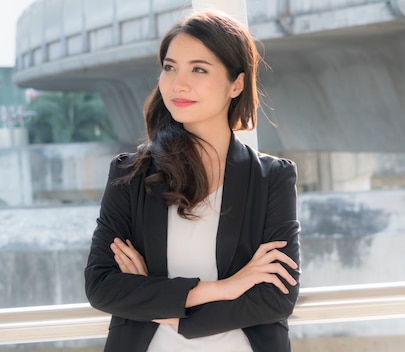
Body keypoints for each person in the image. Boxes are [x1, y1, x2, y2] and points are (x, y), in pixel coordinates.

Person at [84, 9, 300, 352]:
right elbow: (102, 286)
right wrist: (224, 288)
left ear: (237, 83)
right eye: (170, 67)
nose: (177, 83)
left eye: (198, 69)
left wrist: (156, 298)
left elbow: (275, 299)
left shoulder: (270, 178)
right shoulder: (131, 175)